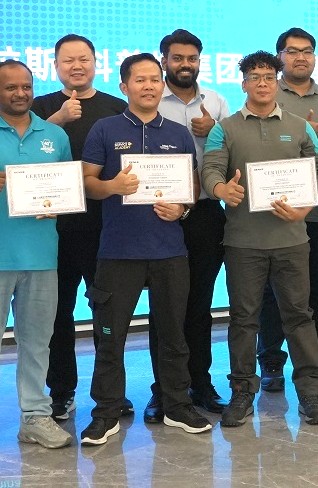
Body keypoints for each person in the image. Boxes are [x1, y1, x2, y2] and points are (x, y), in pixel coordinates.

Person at [78, 53, 210, 446]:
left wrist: (182, 208)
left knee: (173, 334)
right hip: (118, 251)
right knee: (110, 335)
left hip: (169, 250)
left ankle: (176, 405)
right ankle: (106, 412)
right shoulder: (105, 129)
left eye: (155, 79)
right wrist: (111, 186)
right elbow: (86, 182)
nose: (149, 86)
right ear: (124, 86)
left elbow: (191, 186)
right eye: (140, 80)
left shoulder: (179, 133)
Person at [200, 50, 318, 427]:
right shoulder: (224, 128)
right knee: (243, 319)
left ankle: (309, 393)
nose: (262, 83)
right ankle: (242, 392)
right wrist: (221, 189)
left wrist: (305, 208)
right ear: (243, 84)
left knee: (299, 317)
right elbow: (210, 169)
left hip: (292, 240)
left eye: (269, 77)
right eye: (255, 77)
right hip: (243, 243)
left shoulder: (300, 127)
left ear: (277, 82)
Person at [0, 60, 74, 462]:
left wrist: (58, 203)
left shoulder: (55, 135)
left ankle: (35, 417)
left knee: (38, 343)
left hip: (42, 256)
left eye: (26, 86)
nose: (20, 93)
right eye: (10, 87)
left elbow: (66, 192)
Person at [30, 34, 129, 421]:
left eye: (83, 59)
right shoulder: (40, 107)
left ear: (95, 63)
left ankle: (111, 391)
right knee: (57, 314)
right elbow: (19, 152)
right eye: (68, 60)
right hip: (51, 229)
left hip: (104, 227)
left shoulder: (116, 108)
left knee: (108, 312)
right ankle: (61, 391)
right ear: (55, 66)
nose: (76, 66)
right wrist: (56, 121)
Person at [257, 27, 318, 391]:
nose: (300, 57)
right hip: (274, 213)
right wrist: (299, 134)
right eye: (292, 51)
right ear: (279, 57)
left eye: (307, 51)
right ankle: (271, 362)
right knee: (271, 291)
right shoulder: (265, 95)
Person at [145, 28, 230, 421]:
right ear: (164, 60)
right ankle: (163, 390)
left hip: (206, 215)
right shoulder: (150, 97)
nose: (185, 64)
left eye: (192, 58)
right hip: (159, 214)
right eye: (177, 58)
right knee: (164, 307)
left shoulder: (216, 102)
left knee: (199, 305)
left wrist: (214, 133)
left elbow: (233, 154)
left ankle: (201, 383)